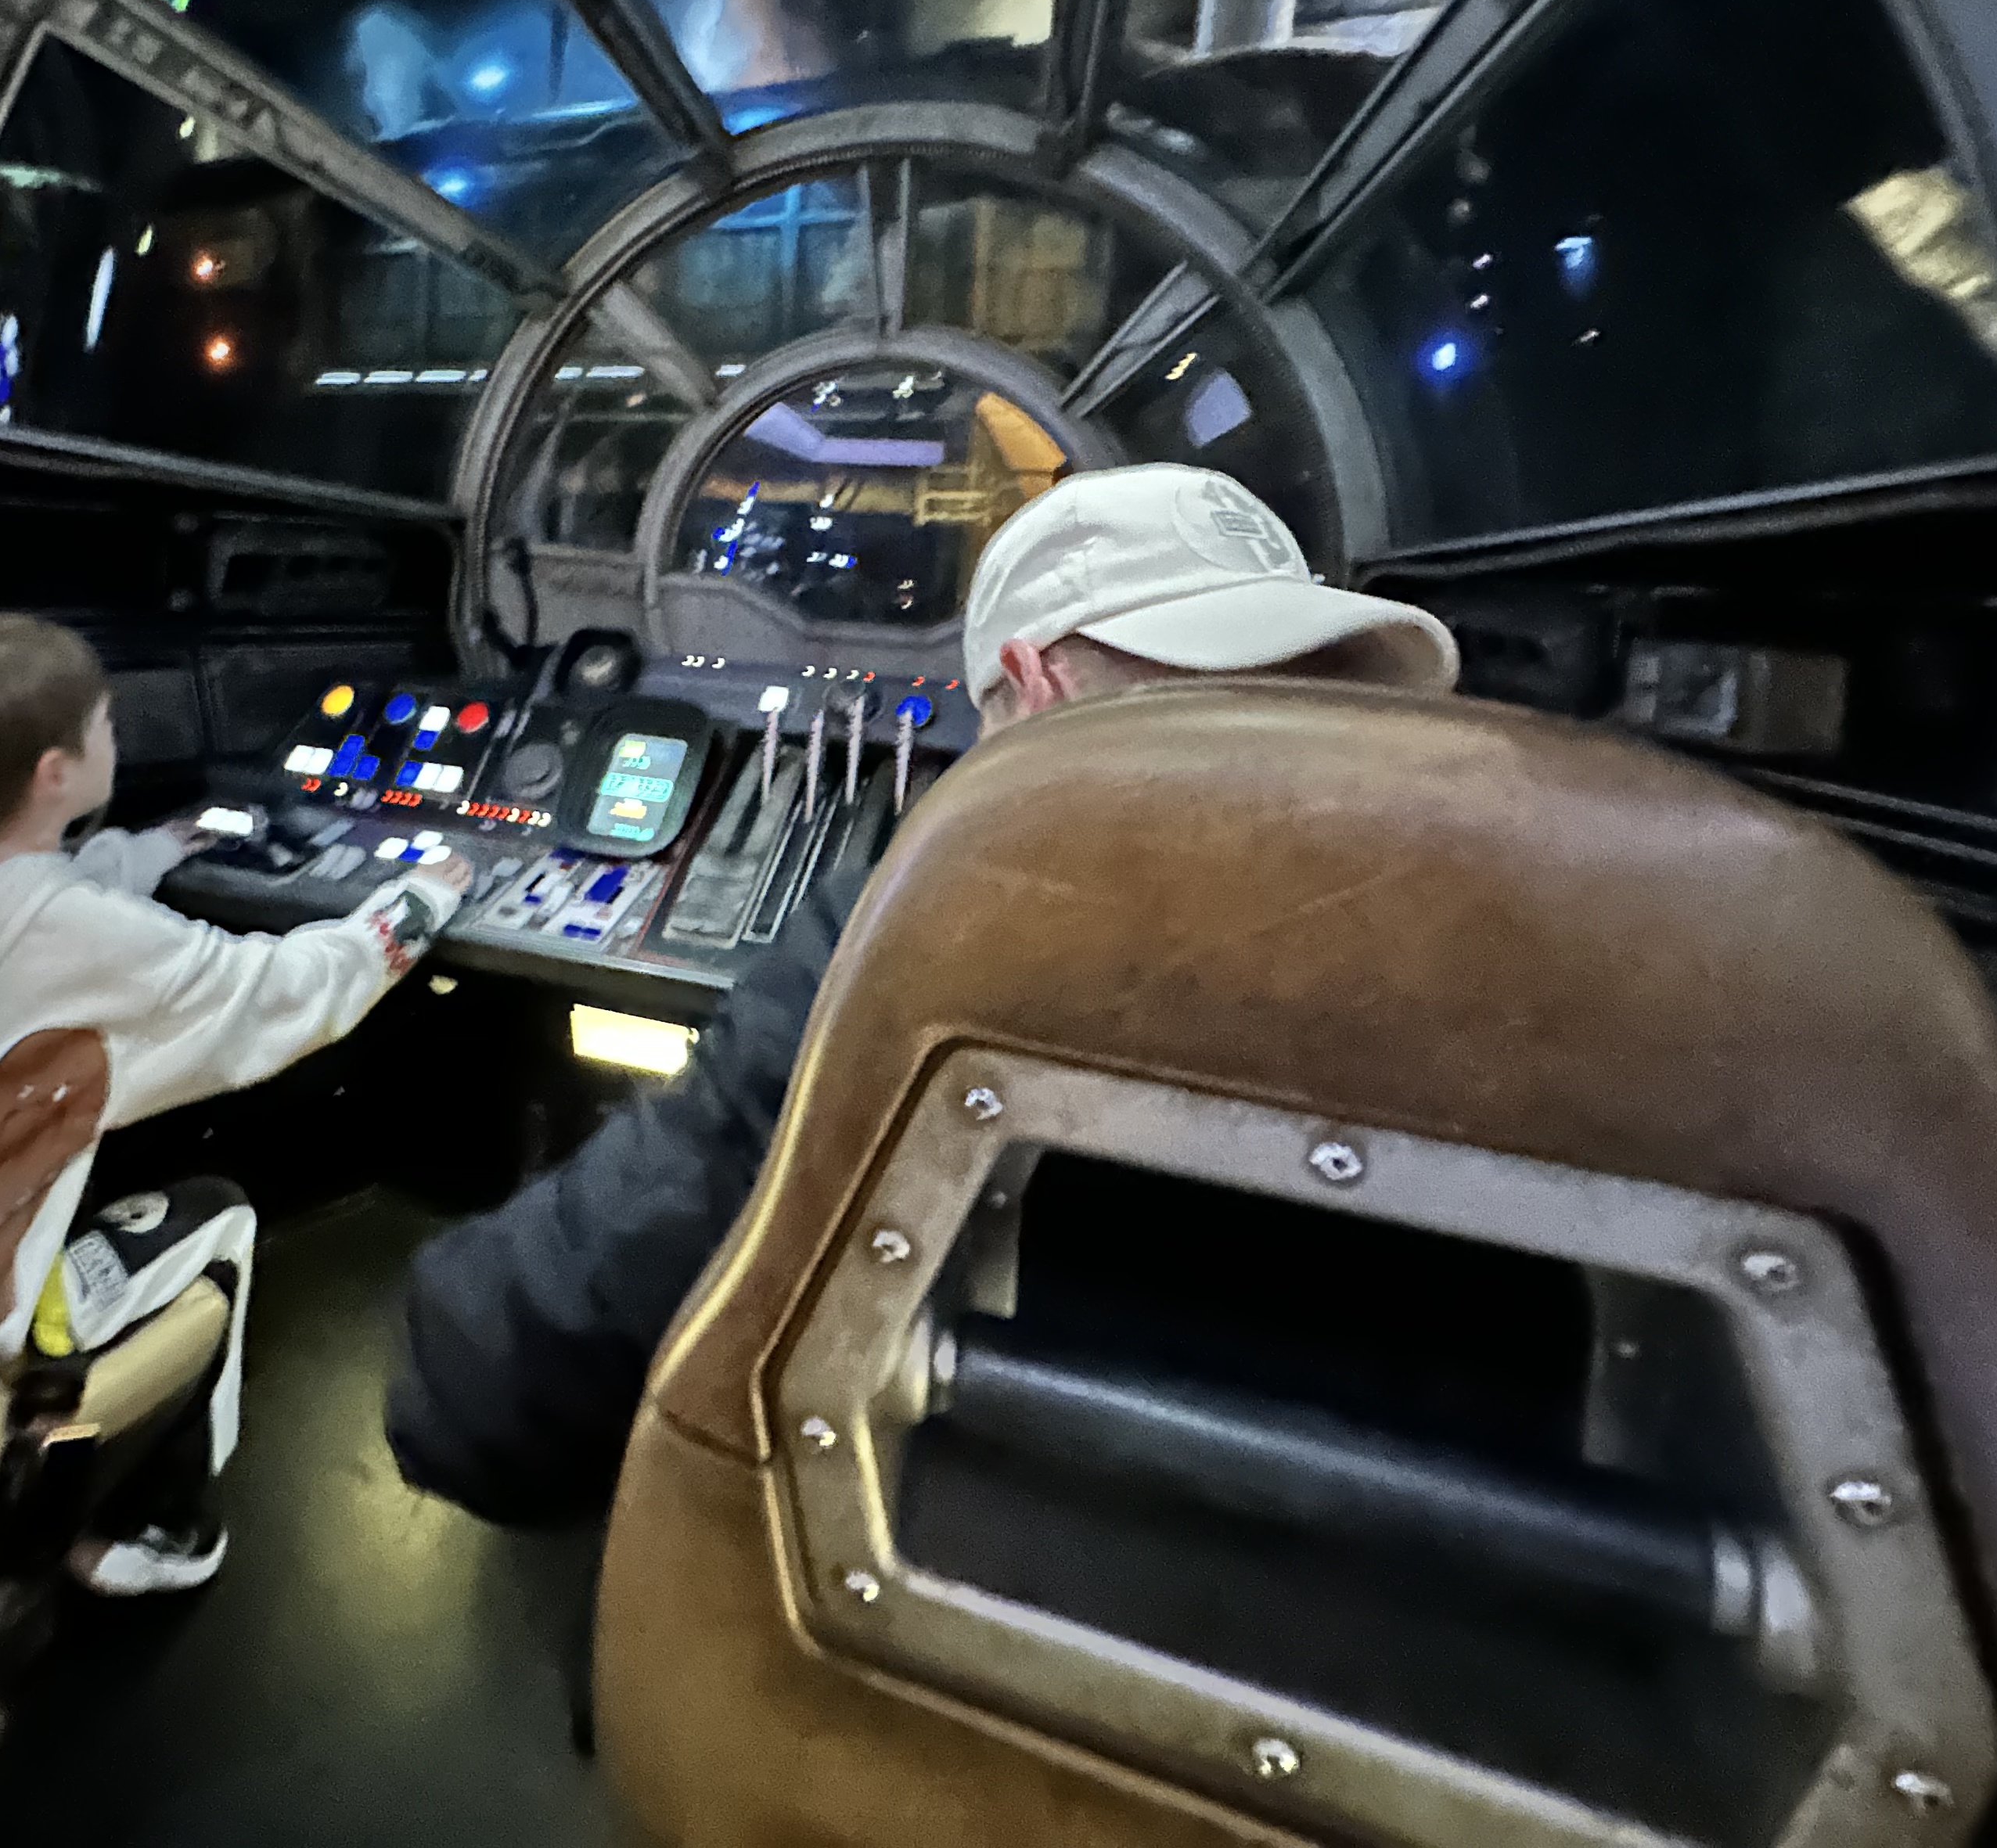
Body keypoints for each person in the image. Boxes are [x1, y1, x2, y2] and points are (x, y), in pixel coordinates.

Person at [383, 464, 1461, 1526]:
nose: (1293, 751)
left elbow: (471, 1399)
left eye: (1312, 696)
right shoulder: (1477, 997)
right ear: (1038, 688)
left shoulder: (906, 948)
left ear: (1031, 691)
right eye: (1229, 697)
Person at [0, 610, 473, 1592]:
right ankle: (147, 1527)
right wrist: (420, 900)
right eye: (103, 725)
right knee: (221, 1218)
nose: (114, 736)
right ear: (54, 773)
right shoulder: (83, 938)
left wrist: (154, 849)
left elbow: (25, 892)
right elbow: (283, 995)